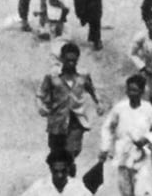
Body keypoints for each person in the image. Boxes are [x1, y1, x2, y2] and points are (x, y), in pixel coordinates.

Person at [37, 42, 105, 174]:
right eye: (68, 60)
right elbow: (40, 94)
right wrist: (41, 107)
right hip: (57, 121)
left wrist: (99, 103)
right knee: (55, 153)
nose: (71, 63)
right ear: (62, 59)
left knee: (72, 150)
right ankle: (59, 176)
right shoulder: (52, 76)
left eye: (74, 60)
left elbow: (92, 90)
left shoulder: (83, 76)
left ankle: (69, 169)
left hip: (76, 121)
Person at [98, 74, 152, 196]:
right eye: (129, 90)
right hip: (123, 156)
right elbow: (107, 127)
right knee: (125, 192)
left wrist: (146, 139)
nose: (131, 93)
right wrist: (105, 147)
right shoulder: (120, 107)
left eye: (134, 90)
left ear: (141, 91)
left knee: (142, 191)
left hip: (141, 157)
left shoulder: (148, 109)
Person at [21, 149, 92, 196]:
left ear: (68, 169)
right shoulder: (39, 186)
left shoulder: (78, 186)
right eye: (56, 171)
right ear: (50, 169)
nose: (60, 175)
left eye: (63, 171)